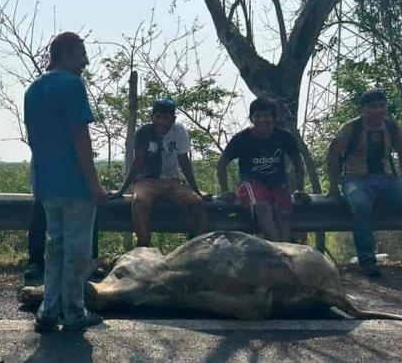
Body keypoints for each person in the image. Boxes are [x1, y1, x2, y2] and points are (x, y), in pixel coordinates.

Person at [24, 31, 107, 332]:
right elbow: (79, 137)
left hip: (46, 184)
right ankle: (73, 311)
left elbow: (34, 140)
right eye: (81, 54)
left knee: (54, 247)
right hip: (75, 185)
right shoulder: (73, 85)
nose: (85, 61)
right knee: (77, 250)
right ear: (67, 54)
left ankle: (49, 310)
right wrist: (95, 184)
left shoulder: (33, 89)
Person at [326, 89, 402, 277]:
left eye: (381, 105)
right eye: (372, 107)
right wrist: (333, 185)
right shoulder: (350, 129)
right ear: (363, 109)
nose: (377, 110)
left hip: (387, 179)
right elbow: (333, 155)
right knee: (360, 206)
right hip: (356, 178)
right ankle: (367, 260)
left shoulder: (392, 128)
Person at [111, 99, 207, 247]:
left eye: (166, 117)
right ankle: (144, 246)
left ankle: (195, 246)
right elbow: (138, 162)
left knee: (197, 203)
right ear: (152, 117)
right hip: (147, 181)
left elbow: (184, 161)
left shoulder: (179, 131)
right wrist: (122, 190)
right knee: (139, 202)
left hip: (172, 181)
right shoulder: (144, 132)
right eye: (158, 117)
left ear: (173, 119)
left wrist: (195, 189)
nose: (161, 122)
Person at [216, 98, 308, 242]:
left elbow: (298, 162)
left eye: (267, 115)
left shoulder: (284, 137)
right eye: (258, 116)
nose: (262, 120)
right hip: (252, 182)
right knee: (262, 207)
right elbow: (222, 164)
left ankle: (286, 248)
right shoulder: (241, 139)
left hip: (278, 182)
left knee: (284, 213)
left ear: (273, 117)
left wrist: (300, 188)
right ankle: (278, 249)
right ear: (251, 119)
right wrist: (225, 190)